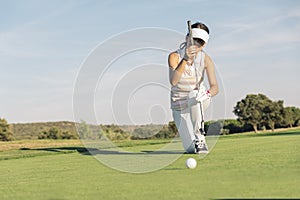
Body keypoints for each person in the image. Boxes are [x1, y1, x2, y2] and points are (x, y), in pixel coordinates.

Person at [168, 22, 219, 154]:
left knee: (194, 95)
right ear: (186, 38)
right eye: (193, 40)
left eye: (200, 43)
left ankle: (200, 138)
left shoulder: (206, 59)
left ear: (204, 44)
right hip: (179, 105)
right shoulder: (174, 56)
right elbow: (173, 81)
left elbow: (215, 87)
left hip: (199, 99)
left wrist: (207, 93)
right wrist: (185, 59)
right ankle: (194, 143)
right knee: (190, 149)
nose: (196, 45)